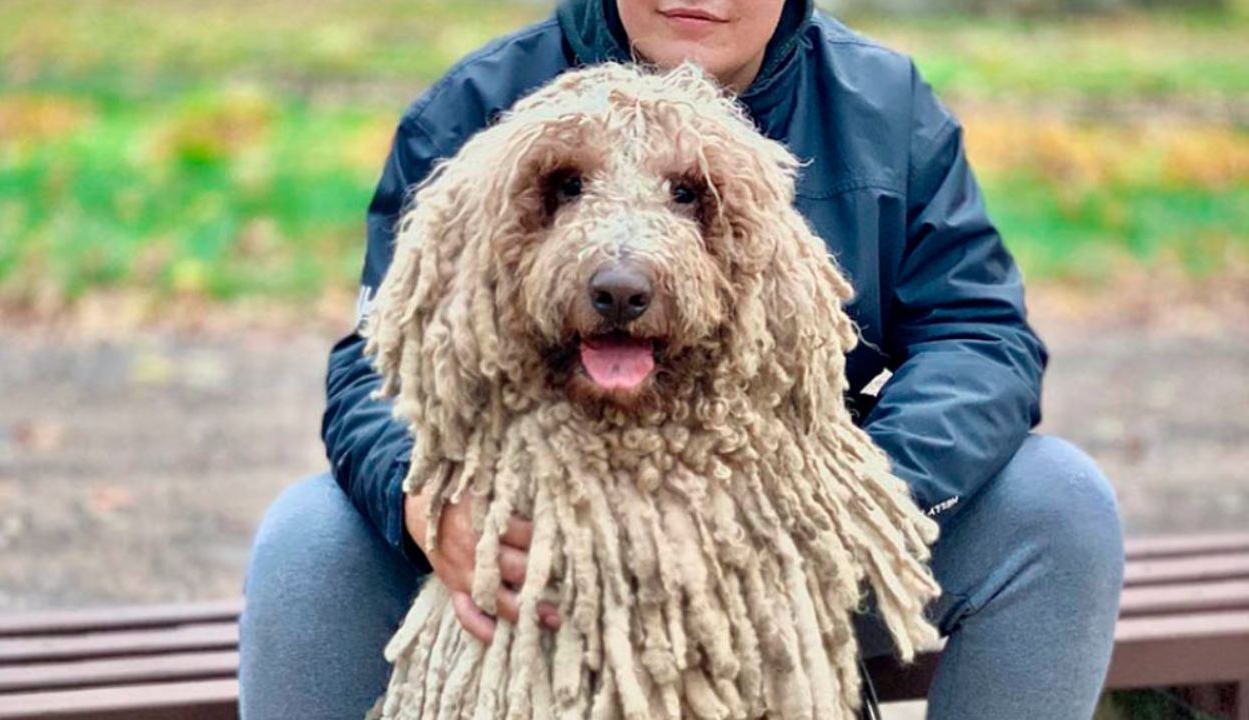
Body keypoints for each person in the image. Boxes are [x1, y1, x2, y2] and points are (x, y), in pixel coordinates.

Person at [238, 1, 1125, 718]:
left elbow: (981, 338)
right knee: (309, 538)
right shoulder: (480, 106)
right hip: (526, 555)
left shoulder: (885, 110)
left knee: (1058, 505)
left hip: (790, 550)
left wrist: (847, 502)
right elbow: (378, 358)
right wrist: (423, 504)